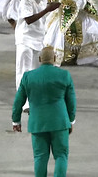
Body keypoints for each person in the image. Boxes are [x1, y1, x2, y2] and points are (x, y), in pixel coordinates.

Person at [11, 44, 76, 177]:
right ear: (55, 58)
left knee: (40, 157)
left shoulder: (28, 77)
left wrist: (16, 120)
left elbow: (18, 101)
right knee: (61, 156)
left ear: (40, 59)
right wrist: (71, 120)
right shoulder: (64, 75)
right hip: (60, 123)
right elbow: (71, 101)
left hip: (38, 124)